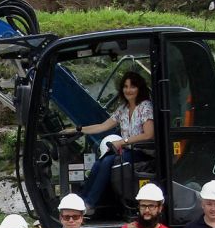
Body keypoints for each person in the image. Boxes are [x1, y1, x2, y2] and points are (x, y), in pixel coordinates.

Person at [64, 71, 154, 209]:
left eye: (132, 86)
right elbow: (102, 126)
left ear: (139, 88)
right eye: (125, 86)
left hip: (142, 152)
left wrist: (122, 142)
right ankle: (81, 200)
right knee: (99, 162)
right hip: (127, 151)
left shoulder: (145, 107)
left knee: (108, 161)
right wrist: (78, 130)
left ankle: (90, 203)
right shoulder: (123, 109)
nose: (128, 90)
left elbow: (148, 135)